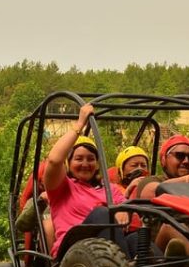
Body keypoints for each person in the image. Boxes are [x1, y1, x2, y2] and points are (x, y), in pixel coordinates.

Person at [44, 103, 130, 258]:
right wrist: (79, 125)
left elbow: (123, 204)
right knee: (102, 213)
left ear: (97, 164)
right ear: (68, 163)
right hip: (72, 250)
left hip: (106, 252)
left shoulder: (110, 189)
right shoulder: (62, 187)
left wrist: (123, 209)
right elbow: (54, 161)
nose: (85, 164)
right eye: (78, 159)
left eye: (91, 159)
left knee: (137, 239)